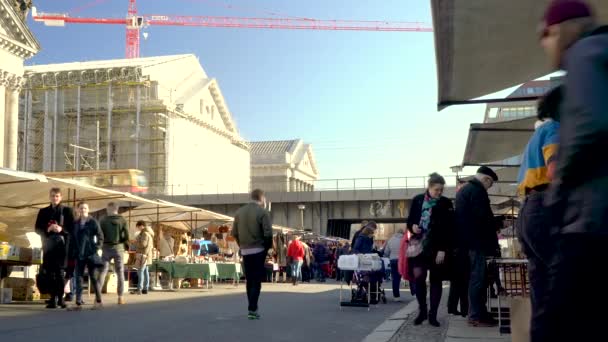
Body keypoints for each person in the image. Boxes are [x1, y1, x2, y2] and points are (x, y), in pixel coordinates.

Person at [538, 1, 608, 341]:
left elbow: (589, 126)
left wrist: (558, 191)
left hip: (592, 220)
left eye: (545, 34)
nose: (543, 44)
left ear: (561, 30)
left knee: (553, 327)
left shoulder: (584, 53)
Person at [407, 173, 455, 327]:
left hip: (437, 248)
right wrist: (412, 227)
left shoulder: (446, 203)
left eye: (441, 190)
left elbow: (449, 229)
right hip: (417, 247)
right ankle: (422, 311)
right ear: (429, 187)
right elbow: (410, 221)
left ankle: (433, 314)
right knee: (419, 279)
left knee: (436, 281)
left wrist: (443, 249)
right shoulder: (417, 200)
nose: (439, 193)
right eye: (436, 190)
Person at [455, 166, 499, 327]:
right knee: (478, 279)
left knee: (476, 279)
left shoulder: (466, 190)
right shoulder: (477, 191)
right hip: (476, 243)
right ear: (486, 179)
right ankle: (476, 315)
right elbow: (482, 218)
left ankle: (478, 313)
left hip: (468, 242)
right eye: (491, 184)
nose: (490, 187)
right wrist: (498, 223)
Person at [232, 189, 273, 320]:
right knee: (256, 281)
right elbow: (268, 234)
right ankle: (252, 308)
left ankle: (251, 307)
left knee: (249, 280)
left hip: (245, 250)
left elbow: (235, 233)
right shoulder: (263, 212)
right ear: (262, 198)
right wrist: (266, 249)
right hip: (258, 249)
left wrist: (241, 245)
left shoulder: (239, 212)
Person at [35, 188, 75, 308]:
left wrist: (61, 230)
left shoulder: (67, 211)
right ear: (49, 197)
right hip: (48, 246)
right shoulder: (43, 211)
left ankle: (61, 299)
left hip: (62, 247)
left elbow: (72, 229)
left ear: (61, 197)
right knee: (50, 273)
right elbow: (37, 228)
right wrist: (47, 229)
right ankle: (52, 298)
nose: (55, 198)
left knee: (60, 273)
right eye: (52, 196)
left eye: (57, 196)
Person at [69, 201, 104, 310]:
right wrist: (73, 251)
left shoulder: (93, 222)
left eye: (85, 208)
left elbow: (100, 236)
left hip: (90, 254)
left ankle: (99, 301)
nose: (83, 210)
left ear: (88, 210)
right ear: (78, 210)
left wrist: (96, 248)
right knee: (78, 278)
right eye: (81, 208)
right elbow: (72, 239)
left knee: (93, 277)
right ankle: (78, 303)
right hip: (79, 254)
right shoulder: (75, 223)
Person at [97, 202, 130, 305]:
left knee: (103, 271)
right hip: (119, 248)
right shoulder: (122, 220)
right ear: (117, 209)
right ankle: (120, 297)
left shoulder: (102, 220)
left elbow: (99, 234)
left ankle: (98, 298)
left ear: (108, 209)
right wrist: (126, 245)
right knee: (120, 272)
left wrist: (100, 245)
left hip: (106, 248)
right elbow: (126, 235)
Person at [447, 179, 469, 317]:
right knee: (462, 282)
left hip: (455, 252)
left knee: (456, 283)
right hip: (460, 251)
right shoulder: (460, 213)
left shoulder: (454, 212)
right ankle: (463, 309)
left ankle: (453, 307)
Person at [131, 220, 154, 295]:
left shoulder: (144, 233)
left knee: (140, 271)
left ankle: (139, 289)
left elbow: (143, 244)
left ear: (141, 226)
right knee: (145, 272)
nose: (137, 228)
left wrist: (135, 242)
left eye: (138, 227)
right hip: (147, 255)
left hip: (143, 255)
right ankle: (145, 288)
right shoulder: (148, 233)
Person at [383, 229, 404, 301]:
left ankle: (396, 296)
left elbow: (386, 252)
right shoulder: (404, 239)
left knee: (395, 279)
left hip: (393, 260)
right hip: (402, 260)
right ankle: (414, 293)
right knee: (410, 276)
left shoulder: (390, 240)